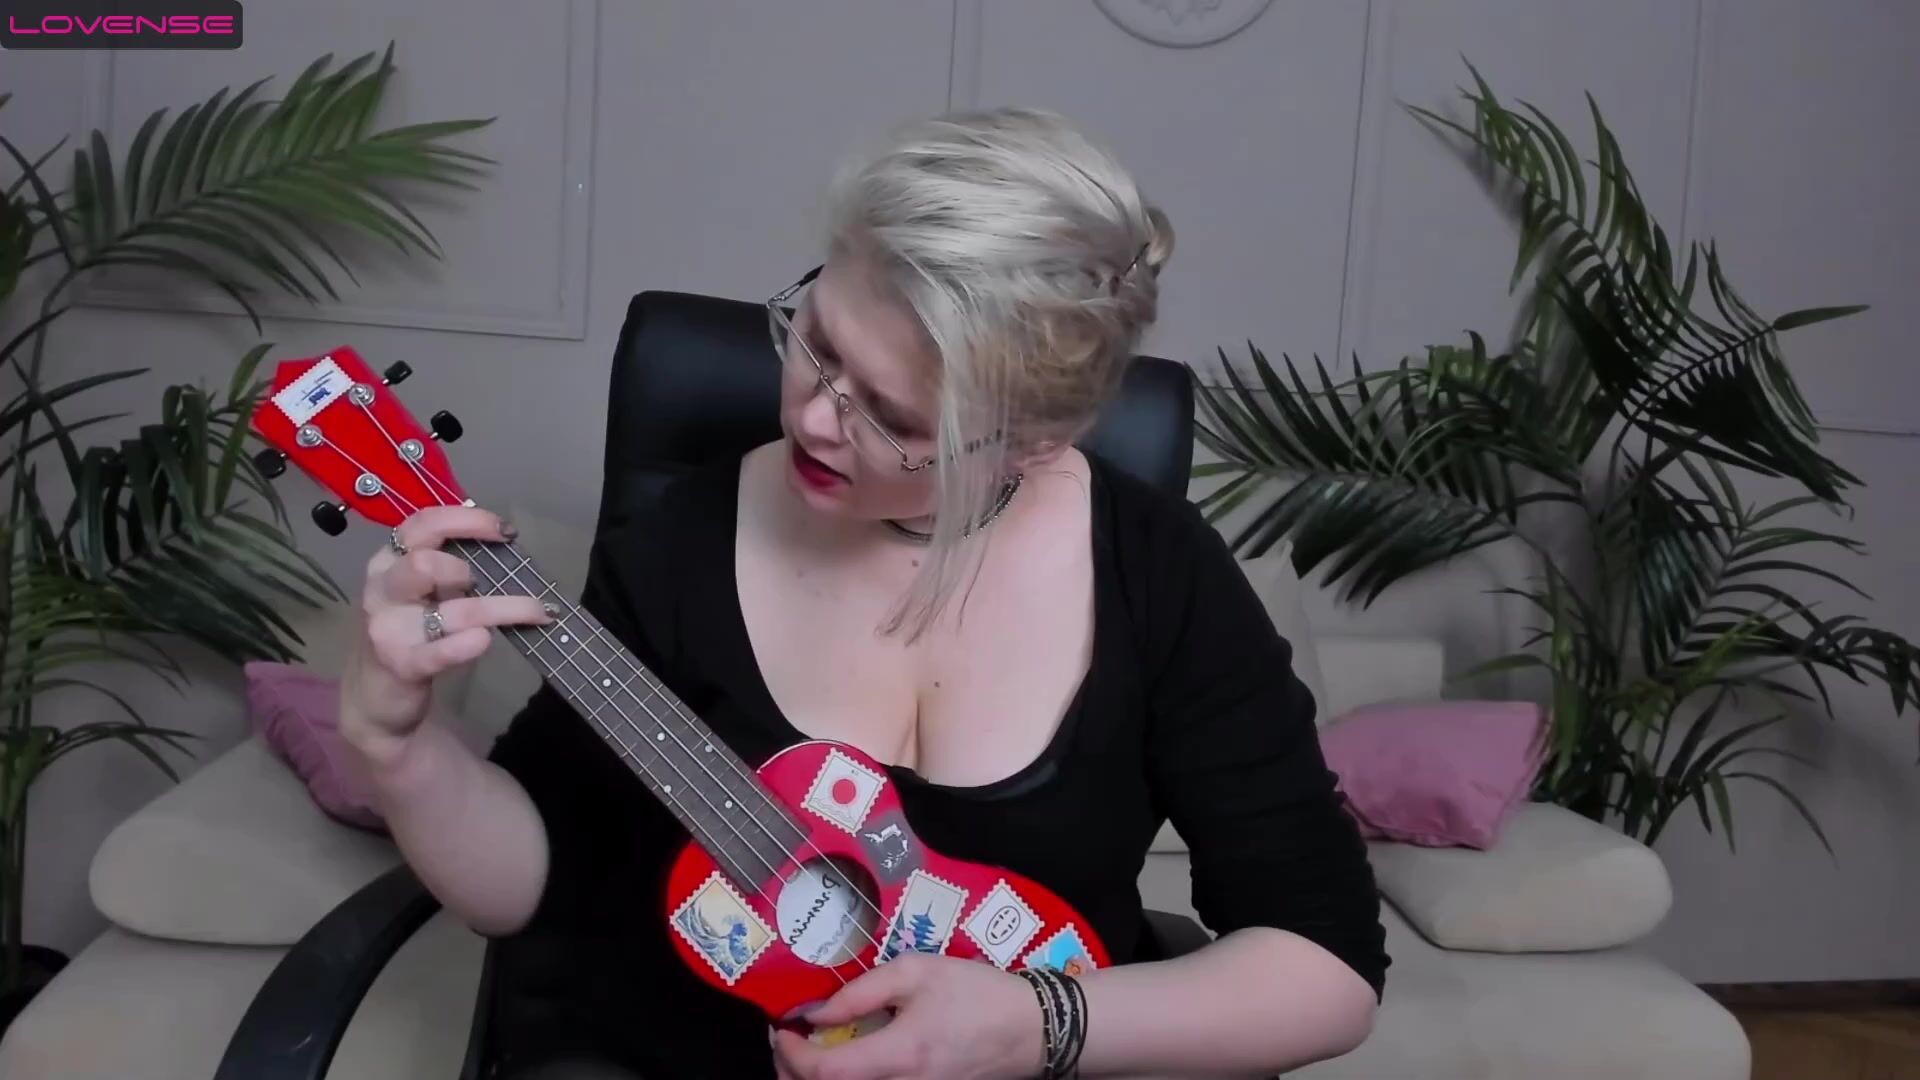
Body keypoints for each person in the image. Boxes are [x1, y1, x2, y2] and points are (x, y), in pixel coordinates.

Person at [338, 106, 1388, 1079]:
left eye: (895, 417)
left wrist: (1037, 1026)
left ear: (1034, 441)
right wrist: (397, 745)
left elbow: (1326, 967)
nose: (815, 417)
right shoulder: (687, 535)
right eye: (819, 343)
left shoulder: (1160, 575)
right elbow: (531, 881)